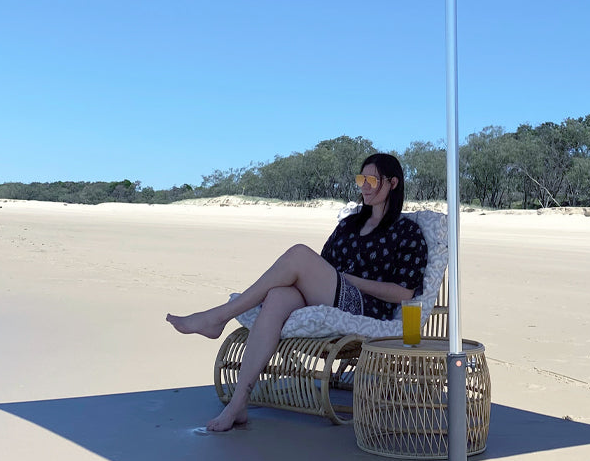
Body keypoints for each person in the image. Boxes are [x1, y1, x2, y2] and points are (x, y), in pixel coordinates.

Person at [166, 153, 428, 431]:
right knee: (278, 296)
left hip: (366, 306)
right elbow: (325, 267)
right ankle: (239, 401)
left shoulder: (407, 232)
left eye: (372, 180)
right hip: (332, 293)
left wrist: (351, 280)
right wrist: (333, 279)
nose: (364, 185)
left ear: (392, 183)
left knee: (299, 254)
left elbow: (404, 294)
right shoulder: (349, 225)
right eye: (361, 179)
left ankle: (218, 316)